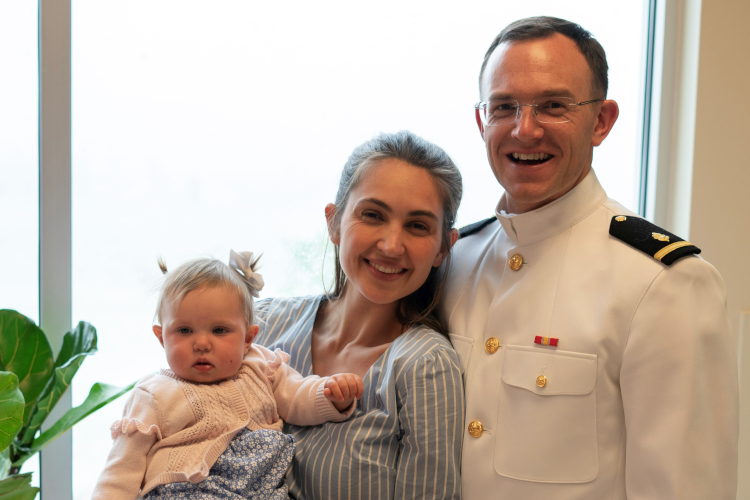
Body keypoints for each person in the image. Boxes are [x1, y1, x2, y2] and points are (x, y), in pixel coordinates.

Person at [441, 16, 739, 500]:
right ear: (482, 122)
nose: (526, 129)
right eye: (504, 107)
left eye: (553, 106)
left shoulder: (663, 283)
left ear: (601, 121)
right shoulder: (454, 263)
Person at [255, 130, 464, 500]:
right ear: (334, 222)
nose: (390, 245)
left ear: (443, 249)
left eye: (417, 225)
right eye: (373, 215)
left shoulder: (425, 367)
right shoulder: (264, 324)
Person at [91, 252, 364, 500]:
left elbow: (297, 397)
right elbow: (121, 470)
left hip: (262, 491)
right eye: (184, 331)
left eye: (219, 330)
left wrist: (331, 393)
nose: (201, 343)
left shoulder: (262, 365)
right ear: (162, 337)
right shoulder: (153, 394)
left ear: (247, 339)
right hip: (185, 491)